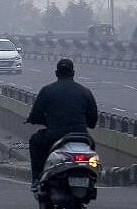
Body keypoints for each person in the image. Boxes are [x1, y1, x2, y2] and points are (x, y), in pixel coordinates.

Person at [26, 58, 98, 191]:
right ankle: (92, 180)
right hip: (81, 136)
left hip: (54, 135)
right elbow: (93, 120)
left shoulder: (47, 91)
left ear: (56, 73)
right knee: (92, 148)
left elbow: (36, 114)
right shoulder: (85, 92)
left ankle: (36, 178)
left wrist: (34, 119)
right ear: (73, 73)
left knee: (35, 141)